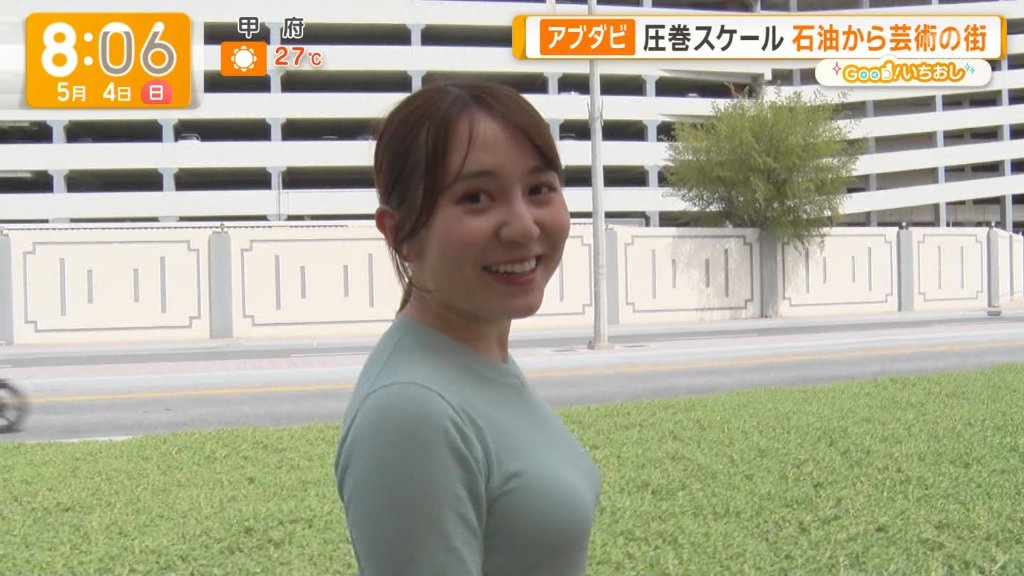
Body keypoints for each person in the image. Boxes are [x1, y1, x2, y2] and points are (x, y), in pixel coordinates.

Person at [334, 81, 602, 575]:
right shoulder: (413, 411)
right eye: (476, 197)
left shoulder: (477, 360)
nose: (523, 227)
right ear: (400, 233)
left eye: (539, 189)